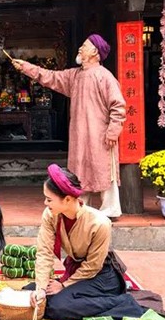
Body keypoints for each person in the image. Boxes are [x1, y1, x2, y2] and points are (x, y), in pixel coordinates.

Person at [12, 34, 126, 218]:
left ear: (95, 52)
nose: (80, 48)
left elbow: (118, 106)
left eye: (84, 45)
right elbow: (50, 76)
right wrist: (26, 68)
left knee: (104, 170)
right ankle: (81, 207)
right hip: (80, 133)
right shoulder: (74, 75)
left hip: (101, 134)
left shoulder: (105, 77)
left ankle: (110, 210)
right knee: (80, 170)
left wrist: (113, 132)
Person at [27, 164, 145, 320]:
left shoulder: (100, 223)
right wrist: (40, 289)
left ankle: (123, 302)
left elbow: (93, 266)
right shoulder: (50, 214)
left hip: (101, 275)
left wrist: (63, 285)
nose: (45, 203)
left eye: (49, 199)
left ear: (67, 199)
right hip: (76, 271)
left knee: (57, 307)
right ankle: (69, 296)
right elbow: (44, 252)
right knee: (30, 293)